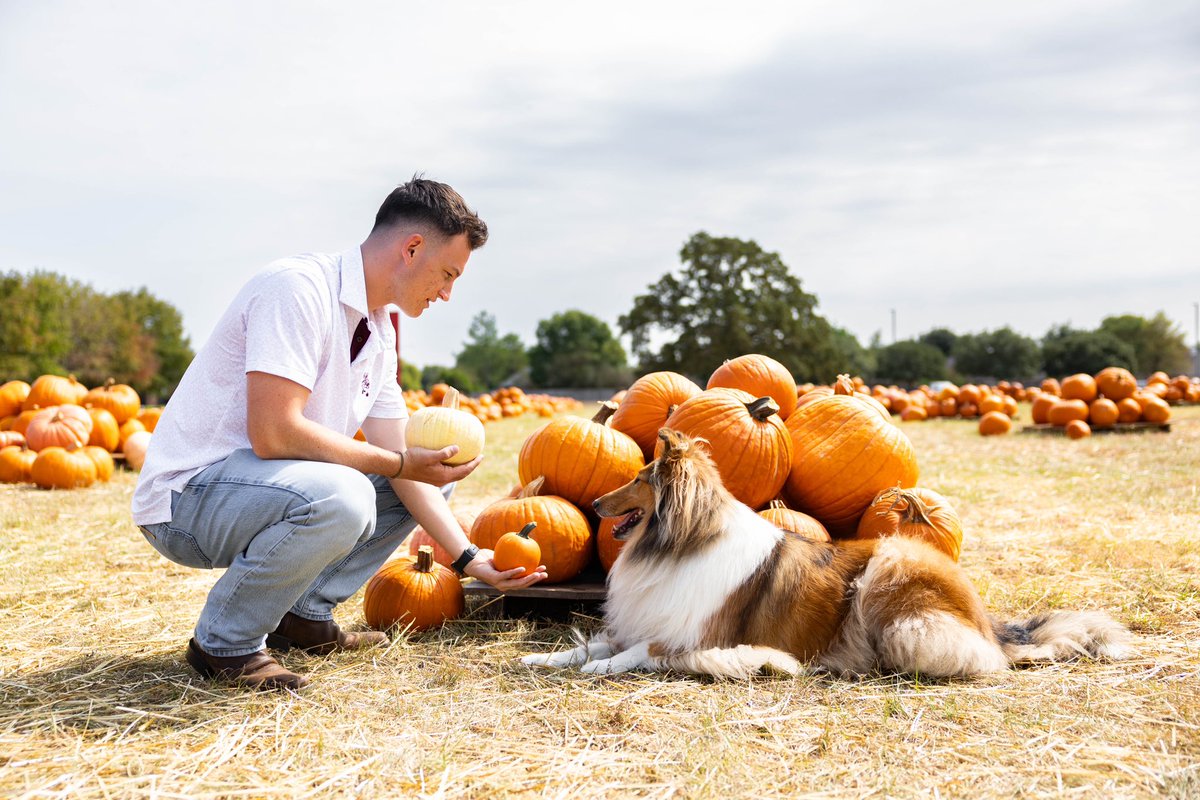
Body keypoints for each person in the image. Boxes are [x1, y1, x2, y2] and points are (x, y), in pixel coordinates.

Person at [131, 176, 546, 691]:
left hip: (268, 491)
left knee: (430, 472)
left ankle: (302, 615)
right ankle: (225, 643)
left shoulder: (381, 331)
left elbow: (402, 459)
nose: (446, 293)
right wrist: (397, 463)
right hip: (189, 498)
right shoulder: (298, 288)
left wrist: (468, 557)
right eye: (447, 273)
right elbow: (274, 433)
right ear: (412, 248)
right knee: (351, 491)